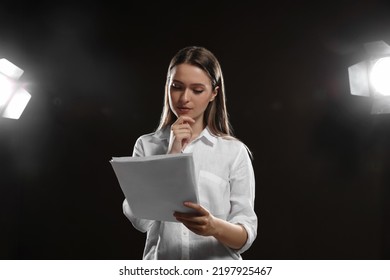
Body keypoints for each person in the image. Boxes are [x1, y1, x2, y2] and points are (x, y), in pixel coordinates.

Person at [122, 46, 257, 260]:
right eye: (177, 87)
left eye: (197, 90)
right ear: (167, 86)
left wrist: (214, 226)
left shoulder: (234, 152)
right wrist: (172, 153)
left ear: (214, 93)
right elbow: (141, 222)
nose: (184, 98)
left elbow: (245, 236)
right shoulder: (146, 145)